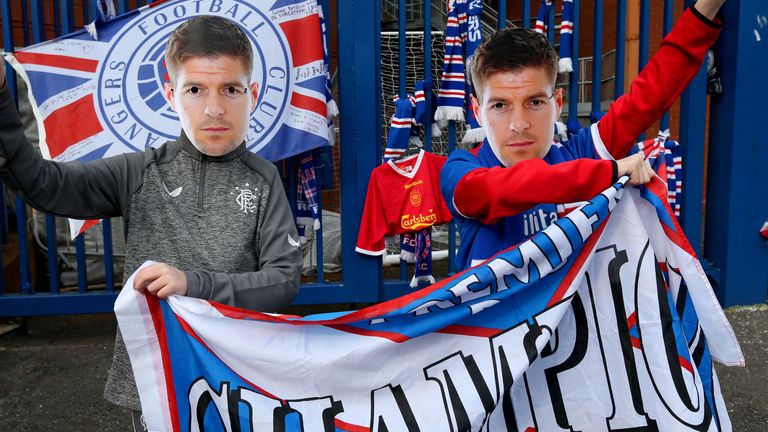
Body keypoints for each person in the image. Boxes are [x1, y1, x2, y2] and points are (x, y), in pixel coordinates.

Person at [0, 15, 303, 429]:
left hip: (240, 384)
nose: (214, 108)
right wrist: (2, 95)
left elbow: (283, 281)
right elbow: (43, 185)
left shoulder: (264, 179)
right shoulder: (140, 172)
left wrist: (192, 283)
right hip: (155, 383)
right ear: (170, 94)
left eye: (230, 89)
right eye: (195, 89)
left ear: (250, 94)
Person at [441, 0, 726, 270]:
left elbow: (650, 95)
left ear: (559, 104)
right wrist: (610, 171)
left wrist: (706, 9)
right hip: (497, 323)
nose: (519, 124)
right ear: (477, 112)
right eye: (500, 105)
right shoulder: (461, 169)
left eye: (535, 102)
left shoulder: (580, 152)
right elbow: (495, 189)